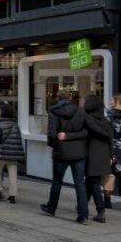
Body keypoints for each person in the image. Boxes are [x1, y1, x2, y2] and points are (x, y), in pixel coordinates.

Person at [40, 90, 89, 224]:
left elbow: (51, 134)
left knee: (57, 182)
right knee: (80, 184)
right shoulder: (81, 111)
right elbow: (86, 132)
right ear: (71, 97)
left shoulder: (54, 112)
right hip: (79, 153)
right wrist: (72, 136)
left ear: (57, 98)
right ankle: (83, 215)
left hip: (61, 152)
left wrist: (59, 142)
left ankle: (51, 208)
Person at [83, 94, 112, 222]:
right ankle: (82, 204)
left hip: (91, 154)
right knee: (90, 181)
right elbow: (110, 139)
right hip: (103, 154)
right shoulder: (105, 120)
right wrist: (111, 155)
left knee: (93, 182)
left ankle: (101, 210)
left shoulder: (87, 119)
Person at [0, 104, 24, 204]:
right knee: (13, 174)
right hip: (13, 154)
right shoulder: (15, 124)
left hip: (1, 153)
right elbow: (18, 140)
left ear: (3, 112)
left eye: (0, 110)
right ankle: (12, 196)